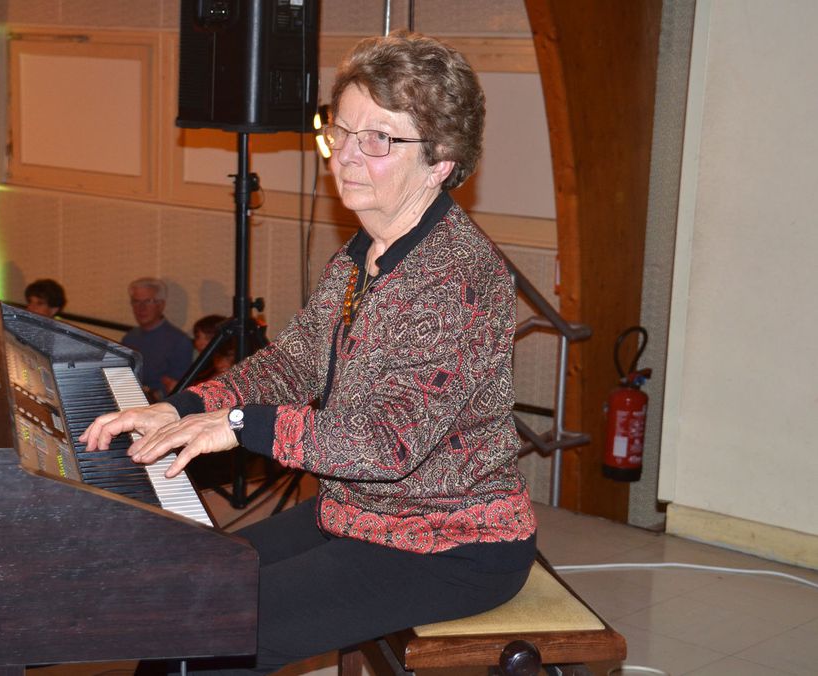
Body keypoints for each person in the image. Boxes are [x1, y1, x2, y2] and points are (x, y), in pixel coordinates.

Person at [81, 32, 536, 676]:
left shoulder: (456, 279)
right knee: (185, 592)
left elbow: (386, 445)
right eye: (339, 131)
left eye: (378, 139)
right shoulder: (363, 253)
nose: (346, 157)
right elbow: (291, 366)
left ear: (440, 160)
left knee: (211, 632)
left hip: (446, 546)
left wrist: (237, 426)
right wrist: (182, 406)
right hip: (355, 514)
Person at [121, 277, 193, 401]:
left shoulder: (179, 341)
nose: (141, 308)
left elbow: (176, 389)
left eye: (148, 301)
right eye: (136, 302)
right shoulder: (129, 338)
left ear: (161, 305)